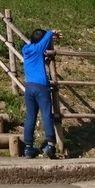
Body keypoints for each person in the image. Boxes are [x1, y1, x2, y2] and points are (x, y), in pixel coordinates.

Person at [22, 28, 61, 159]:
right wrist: (52, 33)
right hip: (41, 86)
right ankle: (50, 145)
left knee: (30, 116)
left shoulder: (25, 49)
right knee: (46, 114)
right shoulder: (39, 48)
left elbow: (39, 44)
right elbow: (45, 39)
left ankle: (28, 147)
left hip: (29, 87)